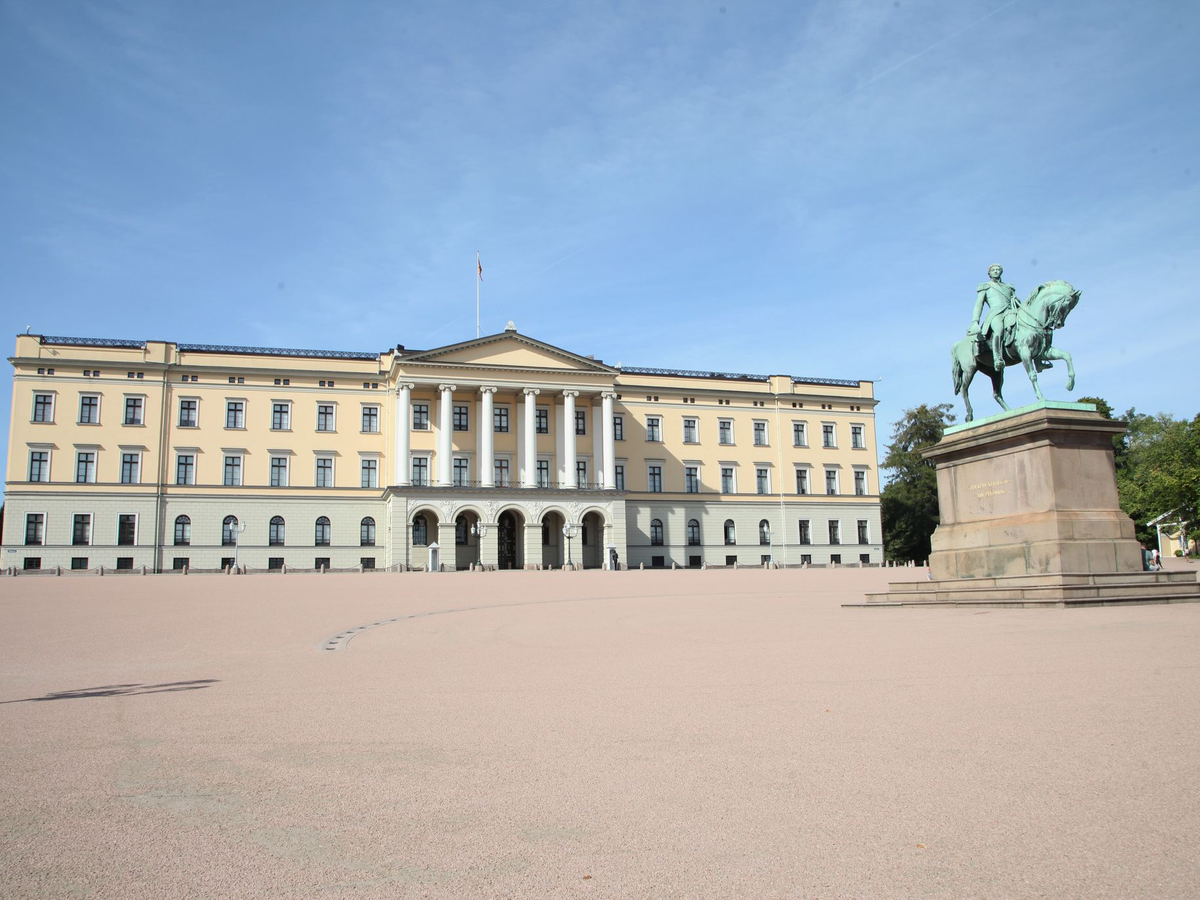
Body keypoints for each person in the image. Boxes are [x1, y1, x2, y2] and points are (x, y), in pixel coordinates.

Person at [968, 264, 1021, 372]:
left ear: (1001, 272)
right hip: (996, 313)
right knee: (998, 330)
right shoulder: (985, 286)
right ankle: (997, 358)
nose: (996, 271)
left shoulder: (1008, 287)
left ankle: (1037, 360)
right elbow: (979, 305)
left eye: (998, 269)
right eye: (993, 270)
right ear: (989, 273)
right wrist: (975, 321)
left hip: (1010, 313)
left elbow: (1015, 301)